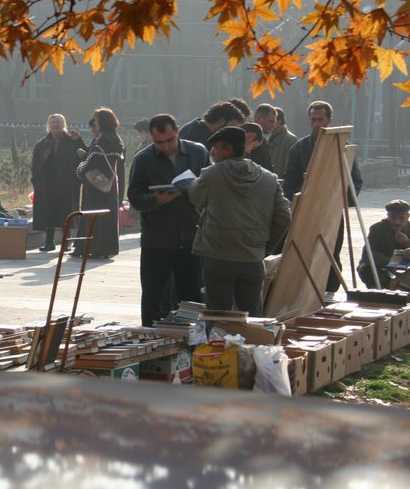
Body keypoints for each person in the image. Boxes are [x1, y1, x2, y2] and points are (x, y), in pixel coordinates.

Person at [188, 126, 291, 316]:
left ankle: (220, 346)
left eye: (216, 148)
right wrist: (267, 247)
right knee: (252, 317)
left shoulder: (211, 175)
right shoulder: (269, 179)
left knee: (218, 317)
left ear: (228, 150)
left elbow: (195, 197)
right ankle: (252, 346)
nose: (211, 152)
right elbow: (284, 216)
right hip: (252, 257)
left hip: (218, 256)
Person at [127, 114, 209, 326]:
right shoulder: (143, 159)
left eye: (169, 140)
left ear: (178, 131)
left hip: (191, 236)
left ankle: (190, 343)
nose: (165, 146)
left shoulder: (198, 152)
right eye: (159, 142)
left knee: (190, 297)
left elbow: (210, 188)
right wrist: (155, 199)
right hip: (157, 239)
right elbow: (134, 196)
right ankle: (150, 344)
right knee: (153, 295)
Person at [283, 100, 363, 292]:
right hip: (307, 211)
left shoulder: (343, 147)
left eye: (321, 119)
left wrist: (339, 199)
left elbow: (355, 182)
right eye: (313, 120)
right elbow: (289, 183)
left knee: (331, 255)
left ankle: (330, 294)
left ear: (329, 120)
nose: (317, 124)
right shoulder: (299, 149)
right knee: (304, 253)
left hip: (333, 212)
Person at [74, 107, 126, 259]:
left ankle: (93, 247)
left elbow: (93, 161)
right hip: (109, 184)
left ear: (102, 122)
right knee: (106, 216)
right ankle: (104, 248)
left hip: (96, 186)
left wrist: (80, 169)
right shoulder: (116, 138)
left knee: (94, 216)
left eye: (96, 120)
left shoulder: (103, 139)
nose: (94, 123)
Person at [31, 113, 87, 251]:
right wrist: (36, 181)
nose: (55, 125)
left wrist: (78, 141)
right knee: (49, 212)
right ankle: (49, 242)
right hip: (47, 184)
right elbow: (35, 165)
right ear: (48, 125)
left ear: (63, 125)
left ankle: (65, 242)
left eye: (58, 122)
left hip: (66, 184)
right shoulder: (41, 144)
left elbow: (84, 155)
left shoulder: (71, 141)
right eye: (52, 122)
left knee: (65, 213)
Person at [357, 199, 410, 288]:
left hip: (403, 267)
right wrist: (391, 264)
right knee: (367, 269)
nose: (397, 222)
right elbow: (368, 254)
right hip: (381, 267)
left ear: (408, 216)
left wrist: (408, 242)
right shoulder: (377, 229)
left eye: (401, 218)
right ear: (388, 216)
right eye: (393, 218)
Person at [177, 100, 246, 148]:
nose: (232, 132)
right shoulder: (205, 140)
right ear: (222, 121)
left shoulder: (192, 125)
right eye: (232, 126)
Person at [265, 106, 298, 177]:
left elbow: (289, 170)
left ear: (280, 121)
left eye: (273, 121)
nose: (271, 125)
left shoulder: (290, 140)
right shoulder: (267, 138)